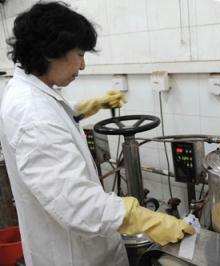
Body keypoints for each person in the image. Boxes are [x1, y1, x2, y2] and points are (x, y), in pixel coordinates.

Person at [0, 2, 194, 266]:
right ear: (51, 52)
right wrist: (144, 218)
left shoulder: (29, 92)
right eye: (79, 54)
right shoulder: (33, 115)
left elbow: (55, 118)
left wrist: (88, 106)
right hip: (72, 254)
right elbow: (77, 203)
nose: (83, 66)